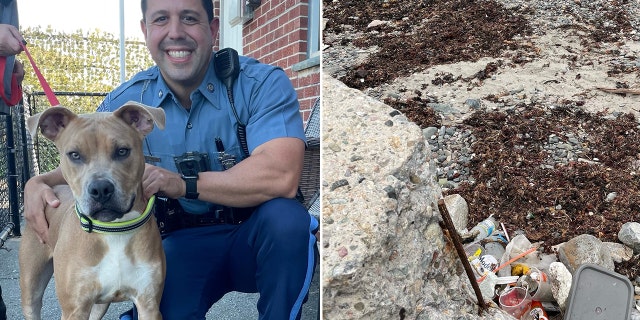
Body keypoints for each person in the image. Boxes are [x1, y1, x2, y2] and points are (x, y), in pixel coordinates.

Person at [23, 0, 318, 319]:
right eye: (161, 20)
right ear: (145, 30)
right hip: (181, 243)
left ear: (214, 29)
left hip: (254, 237)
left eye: (190, 19)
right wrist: (37, 183)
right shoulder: (126, 101)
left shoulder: (261, 84)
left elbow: (282, 176)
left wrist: (181, 183)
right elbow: (86, 156)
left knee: (288, 222)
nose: (175, 33)